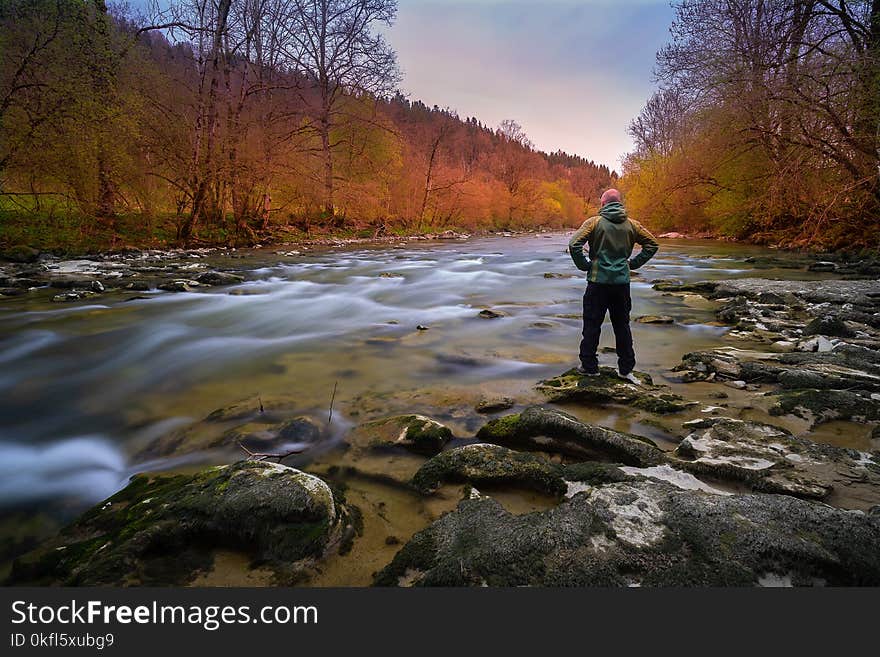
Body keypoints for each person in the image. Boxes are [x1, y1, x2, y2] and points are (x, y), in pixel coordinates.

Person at [568, 188, 658, 383]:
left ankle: (589, 367)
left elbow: (574, 244)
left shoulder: (594, 222)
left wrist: (585, 265)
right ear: (619, 203)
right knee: (622, 326)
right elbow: (652, 244)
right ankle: (625, 369)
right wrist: (632, 264)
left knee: (592, 324)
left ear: (603, 204)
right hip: (621, 284)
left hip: (597, 282)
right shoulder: (633, 225)